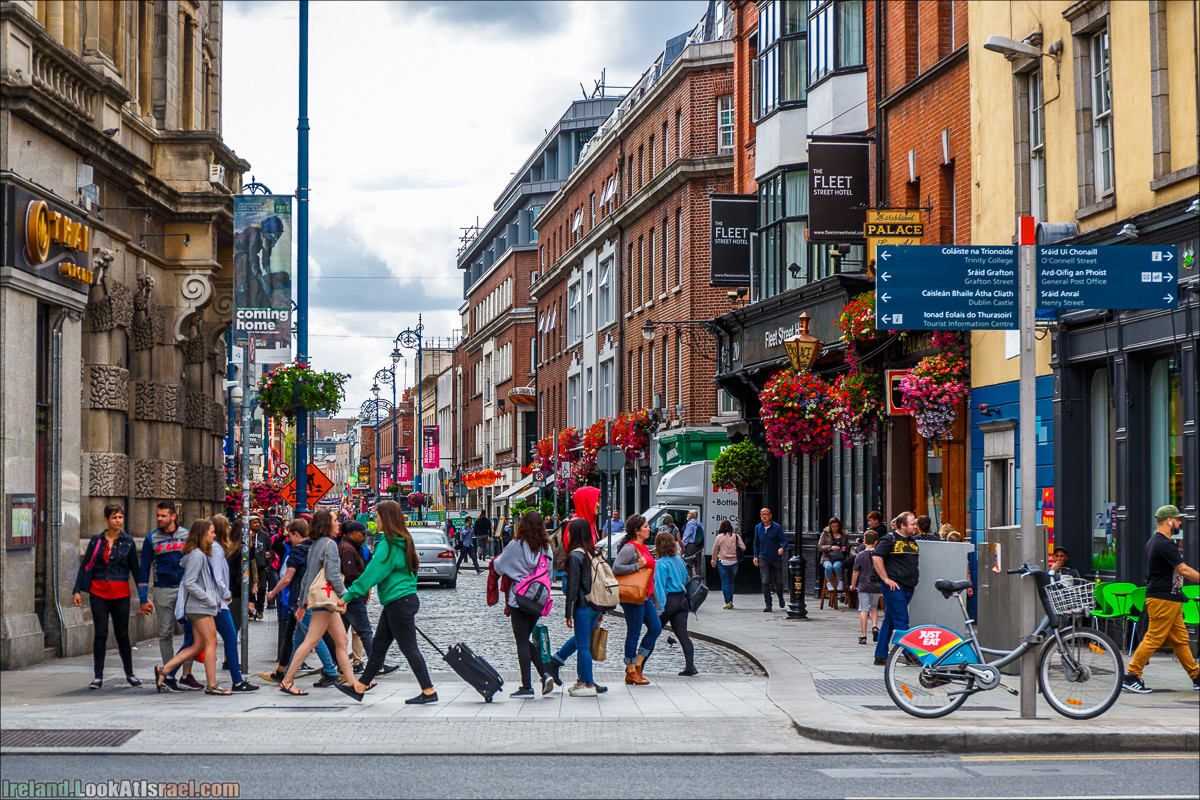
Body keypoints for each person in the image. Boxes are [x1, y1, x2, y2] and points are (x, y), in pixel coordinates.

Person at [343, 500, 438, 704]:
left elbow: (372, 574)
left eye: (377, 517)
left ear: (386, 519)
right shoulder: (405, 541)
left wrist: (348, 596)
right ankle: (360, 687)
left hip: (398, 602)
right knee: (378, 646)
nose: (375, 521)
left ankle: (428, 690)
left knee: (409, 648)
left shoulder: (388, 545)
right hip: (403, 599)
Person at [278, 510, 372, 700]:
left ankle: (353, 683)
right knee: (311, 640)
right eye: (335, 521)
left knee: (341, 640)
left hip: (323, 600)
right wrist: (346, 596)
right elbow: (332, 575)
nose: (338, 524)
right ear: (326, 524)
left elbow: (308, 576)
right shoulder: (329, 544)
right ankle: (287, 680)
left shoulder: (316, 544)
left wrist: (302, 602)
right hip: (326, 600)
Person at [1122, 505, 1200, 694]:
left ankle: (1196, 676)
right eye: (1178, 519)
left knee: (1181, 640)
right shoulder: (1165, 544)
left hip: (1170, 598)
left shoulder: (1154, 541)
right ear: (1169, 521)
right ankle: (1132, 675)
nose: (1180, 522)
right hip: (1163, 599)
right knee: (1153, 638)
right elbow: (1183, 569)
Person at [258, 519, 339, 687]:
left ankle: (331, 671)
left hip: (302, 599)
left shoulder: (297, 551)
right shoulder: (313, 547)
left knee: (313, 638)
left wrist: (273, 592)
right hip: (315, 597)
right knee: (297, 639)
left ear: (296, 534)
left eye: (289, 536)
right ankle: (286, 673)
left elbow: (287, 578)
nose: (288, 540)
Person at [154, 520, 228, 695]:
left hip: (199, 606)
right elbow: (189, 583)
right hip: (200, 607)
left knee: (198, 645)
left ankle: (164, 670)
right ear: (202, 534)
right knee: (211, 642)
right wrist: (208, 598)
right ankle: (212, 684)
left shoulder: (198, 554)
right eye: (211, 532)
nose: (214, 535)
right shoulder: (197, 555)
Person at [73, 503, 142, 689]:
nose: (118, 521)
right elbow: (85, 565)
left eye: (120, 517)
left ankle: (130, 673)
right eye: (114, 517)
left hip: (121, 592)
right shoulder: (96, 540)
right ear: (106, 519)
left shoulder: (128, 542)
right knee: (100, 633)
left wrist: (143, 597)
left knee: (122, 634)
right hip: (98, 591)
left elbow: (135, 570)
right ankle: (98, 676)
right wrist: (77, 590)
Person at [492, 509, 555, 697]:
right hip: (538, 600)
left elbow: (500, 566)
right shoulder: (546, 547)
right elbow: (550, 573)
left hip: (519, 599)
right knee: (525, 640)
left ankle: (527, 686)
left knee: (521, 641)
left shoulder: (515, 545)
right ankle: (544, 675)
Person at [545, 518, 607, 697]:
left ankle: (588, 684)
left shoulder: (575, 556)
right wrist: (601, 610)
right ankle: (582, 681)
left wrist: (568, 613)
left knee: (583, 645)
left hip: (583, 605)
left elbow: (572, 588)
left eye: (569, 532)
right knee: (583, 641)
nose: (567, 535)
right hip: (596, 604)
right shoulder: (594, 553)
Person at [137, 501, 189, 691]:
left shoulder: (187, 535)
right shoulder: (151, 539)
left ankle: (184, 674)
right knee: (165, 633)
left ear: (173, 516)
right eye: (157, 515)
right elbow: (144, 570)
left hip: (185, 590)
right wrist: (143, 598)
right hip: (163, 589)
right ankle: (169, 675)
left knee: (191, 632)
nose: (159, 518)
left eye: (163, 515)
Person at [209, 515, 257, 692]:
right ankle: (235, 679)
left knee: (201, 641)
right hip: (223, 599)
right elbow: (220, 577)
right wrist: (227, 593)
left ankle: (169, 673)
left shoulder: (222, 549)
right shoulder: (218, 550)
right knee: (228, 635)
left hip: (222, 598)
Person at [612, 514, 661, 685]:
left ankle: (638, 664)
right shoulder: (630, 548)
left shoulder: (644, 547)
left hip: (644, 595)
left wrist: (655, 601)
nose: (649, 529)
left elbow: (649, 577)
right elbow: (616, 568)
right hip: (632, 596)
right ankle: (631, 669)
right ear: (636, 530)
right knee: (634, 632)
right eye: (646, 526)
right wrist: (637, 565)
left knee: (656, 628)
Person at [872, 511, 920, 666]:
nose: (915, 526)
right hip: (894, 587)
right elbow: (876, 556)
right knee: (901, 619)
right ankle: (910, 653)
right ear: (902, 525)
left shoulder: (912, 541)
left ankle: (880, 655)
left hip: (908, 586)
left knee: (890, 620)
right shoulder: (889, 539)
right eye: (912, 524)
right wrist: (885, 578)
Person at [653, 532, 696, 676]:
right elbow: (685, 577)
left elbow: (659, 587)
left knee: (653, 633)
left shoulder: (661, 563)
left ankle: (639, 665)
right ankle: (690, 666)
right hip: (682, 600)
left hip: (669, 601)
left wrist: (660, 608)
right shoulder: (679, 559)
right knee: (683, 635)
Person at [338, 521, 374, 673]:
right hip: (353, 596)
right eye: (363, 534)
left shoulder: (353, 547)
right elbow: (351, 574)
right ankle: (376, 665)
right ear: (354, 533)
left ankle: (336, 668)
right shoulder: (347, 549)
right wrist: (368, 579)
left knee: (341, 633)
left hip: (351, 596)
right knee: (365, 631)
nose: (365, 537)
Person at [851, 530, 882, 645]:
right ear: (876, 542)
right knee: (873, 607)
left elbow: (855, 572)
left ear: (864, 541)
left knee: (863, 609)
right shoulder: (879, 555)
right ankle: (874, 626)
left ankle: (863, 636)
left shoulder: (860, 555)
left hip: (864, 585)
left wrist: (853, 585)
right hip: (876, 585)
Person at [753, 508, 787, 613]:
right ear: (760, 516)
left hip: (775, 558)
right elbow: (756, 542)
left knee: (778, 582)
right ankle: (768, 604)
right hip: (763, 557)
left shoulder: (776, 527)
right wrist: (755, 556)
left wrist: (782, 548)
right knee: (765, 581)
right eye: (762, 514)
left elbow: (784, 540)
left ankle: (780, 597)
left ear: (770, 516)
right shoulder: (758, 528)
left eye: (766, 514)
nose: (764, 516)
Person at [710, 520, 745, 609]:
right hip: (734, 562)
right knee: (731, 582)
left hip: (723, 562)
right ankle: (731, 601)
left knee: (725, 582)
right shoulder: (736, 536)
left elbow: (715, 550)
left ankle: (727, 602)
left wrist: (713, 561)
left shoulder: (719, 537)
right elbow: (743, 547)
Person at [818, 516, 851, 603]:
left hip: (839, 557)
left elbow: (848, 547)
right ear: (830, 526)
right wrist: (830, 547)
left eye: (836, 526)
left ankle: (840, 581)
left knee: (836, 566)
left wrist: (844, 549)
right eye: (833, 526)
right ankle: (828, 582)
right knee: (828, 566)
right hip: (827, 557)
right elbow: (820, 546)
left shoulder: (843, 535)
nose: (835, 528)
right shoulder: (825, 533)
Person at [248, 515, 272, 619]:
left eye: (258, 522)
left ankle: (260, 609)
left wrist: (267, 560)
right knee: (250, 590)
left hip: (261, 566)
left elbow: (269, 550)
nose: (257, 524)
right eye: (254, 522)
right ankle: (251, 611)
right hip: (249, 567)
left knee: (262, 588)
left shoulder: (264, 536)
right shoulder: (246, 535)